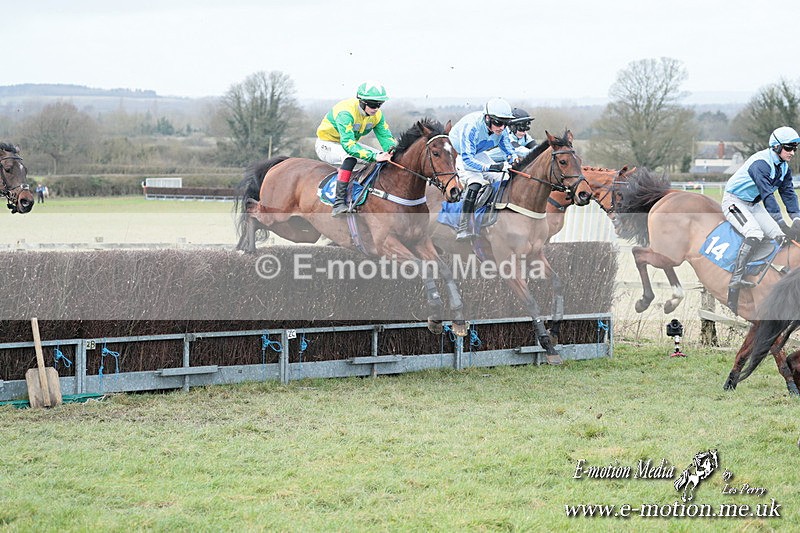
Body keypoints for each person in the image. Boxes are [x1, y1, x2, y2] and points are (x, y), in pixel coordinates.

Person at [722, 126, 800, 297]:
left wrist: (796, 219)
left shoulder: (784, 167)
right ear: (776, 146)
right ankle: (736, 277)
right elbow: (768, 196)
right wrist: (780, 221)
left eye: (795, 148)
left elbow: (788, 194)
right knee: (754, 233)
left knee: (780, 236)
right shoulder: (761, 164)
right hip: (734, 201)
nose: (792, 152)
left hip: (754, 205)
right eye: (789, 148)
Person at [316, 81, 397, 217]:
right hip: (327, 144)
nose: (376, 108)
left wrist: (393, 152)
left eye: (379, 104)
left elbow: (386, 138)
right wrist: (374, 156)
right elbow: (348, 146)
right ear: (362, 101)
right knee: (350, 158)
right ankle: (339, 203)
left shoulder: (377, 115)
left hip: (348, 144)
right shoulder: (346, 112)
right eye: (372, 104)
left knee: (384, 158)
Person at [449, 97, 517, 240]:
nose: (502, 128)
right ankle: (463, 226)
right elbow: (468, 161)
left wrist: (514, 159)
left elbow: (509, 151)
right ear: (487, 118)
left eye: (506, 123)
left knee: (505, 178)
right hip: (459, 154)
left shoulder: (502, 131)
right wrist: (492, 167)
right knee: (476, 182)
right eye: (498, 123)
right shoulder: (471, 127)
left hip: (479, 154)